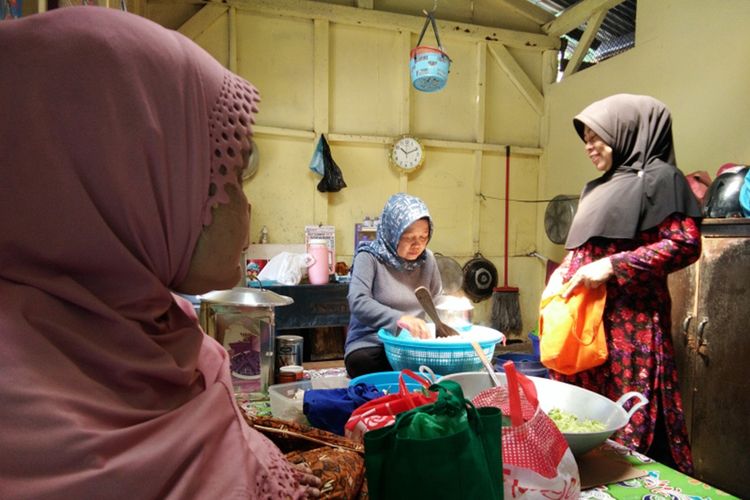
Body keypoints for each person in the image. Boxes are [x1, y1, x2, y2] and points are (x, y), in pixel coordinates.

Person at [0, 7, 326, 498]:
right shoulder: (26, 423)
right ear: (127, 181)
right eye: (229, 178)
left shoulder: (165, 336)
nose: (245, 203)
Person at [544, 94, 703, 474]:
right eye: (585, 139)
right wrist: (560, 277)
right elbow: (585, 248)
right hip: (587, 324)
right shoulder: (596, 187)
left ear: (626, 132)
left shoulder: (663, 179)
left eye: (597, 136)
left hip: (632, 334)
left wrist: (613, 267)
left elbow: (686, 243)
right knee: (585, 423)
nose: (589, 147)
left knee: (630, 424)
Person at [345, 193, 443, 378]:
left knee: (450, 365)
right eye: (409, 237)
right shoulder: (369, 257)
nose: (417, 245)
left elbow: (437, 300)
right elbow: (358, 302)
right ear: (392, 232)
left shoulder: (427, 259)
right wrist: (401, 319)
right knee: (363, 364)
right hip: (373, 343)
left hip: (414, 345)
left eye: (423, 237)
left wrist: (457, 313)